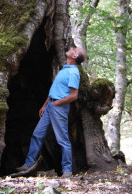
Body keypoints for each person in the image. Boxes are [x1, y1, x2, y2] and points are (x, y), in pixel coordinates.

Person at [16, 46, 87, 177]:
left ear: (75, 56)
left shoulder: (73, 73)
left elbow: (74, 95)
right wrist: (45, 105)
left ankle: (67, 170)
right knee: (37, 134)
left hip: (59, 108)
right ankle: (28, 164)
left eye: (74, 49)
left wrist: (57, 103)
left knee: (62, 140)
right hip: (50, 106)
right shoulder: (64, 69)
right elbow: (53, 89)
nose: (71, 48)